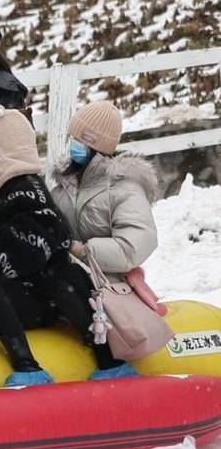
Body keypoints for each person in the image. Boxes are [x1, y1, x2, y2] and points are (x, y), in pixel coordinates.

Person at [0, 105, 136, 387]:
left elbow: (40, 233)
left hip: (48, 297)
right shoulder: (5, 185)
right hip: (34, 296)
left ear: (0, 148)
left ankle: (33, 364)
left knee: (57, 278)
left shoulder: (24, 186)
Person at [48, 101, 161, 301]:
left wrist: (83, 251)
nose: (71, 143)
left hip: (111, 290)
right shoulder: (64, 185)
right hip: (67, 284)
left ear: (92, 143)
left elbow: (132, 248)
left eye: (77, 139)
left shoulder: (125, 189)